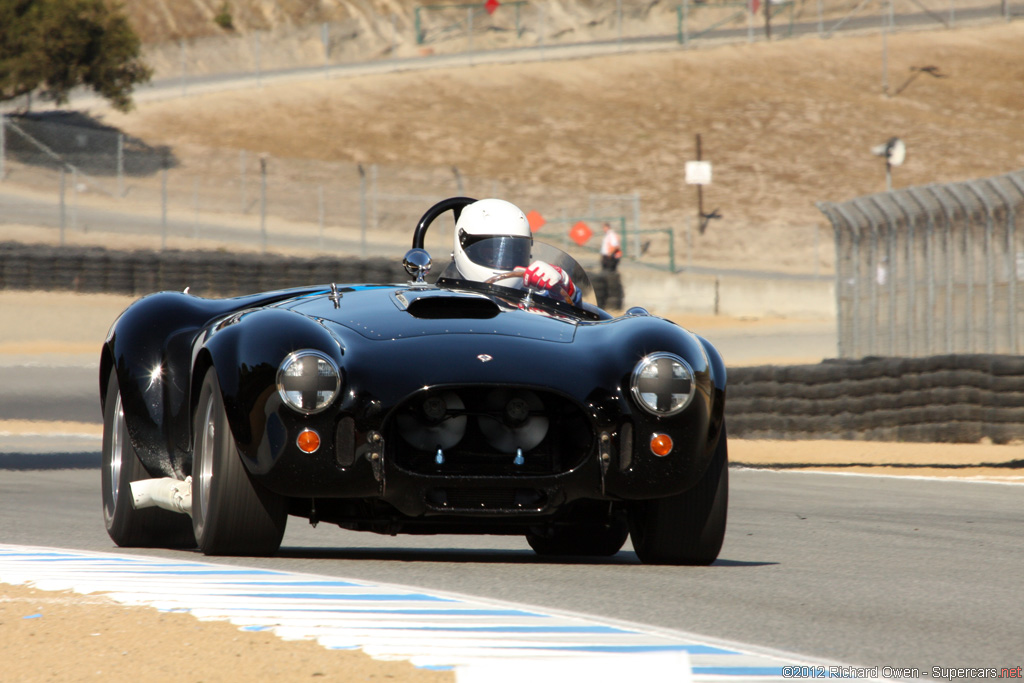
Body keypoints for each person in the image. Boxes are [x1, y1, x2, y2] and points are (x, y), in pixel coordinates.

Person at [449, 198, 581, 306]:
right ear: (463, 243)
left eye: (513, 254)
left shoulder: (533, 302)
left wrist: (565, 288)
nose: (502, 261)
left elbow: (579, 320)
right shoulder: (440, 302)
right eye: (490, 255)